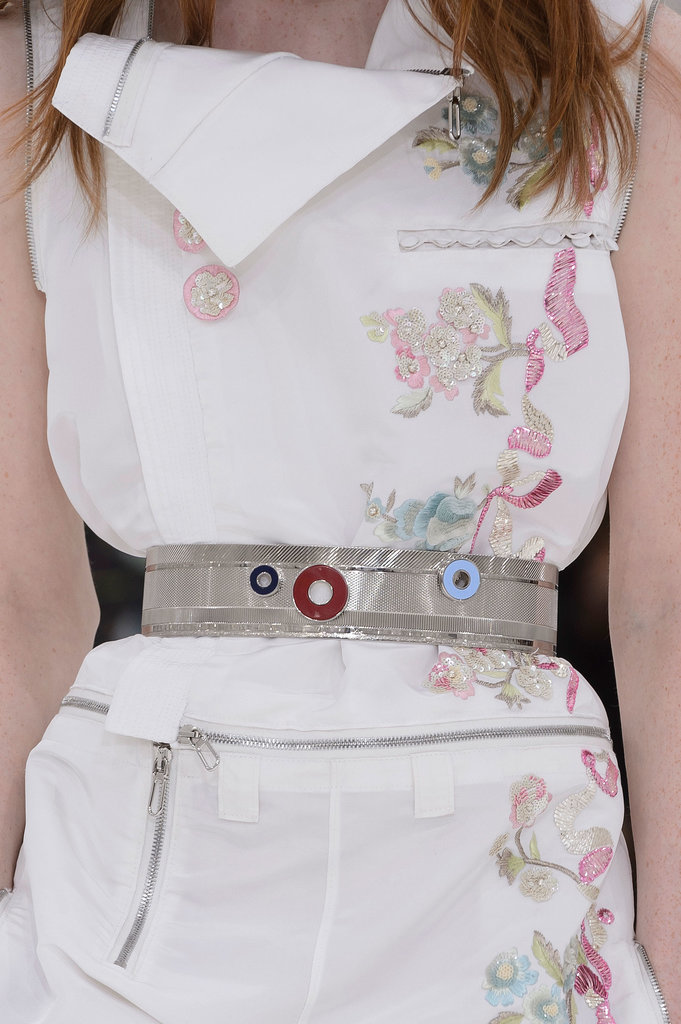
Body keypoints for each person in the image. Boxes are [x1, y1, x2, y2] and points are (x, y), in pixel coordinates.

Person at [0, 0, 679, 1020]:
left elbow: (665, 599)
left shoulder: (629, 50)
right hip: (128, 882)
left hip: (509, 875)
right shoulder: (33, 63)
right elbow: (19, 605)